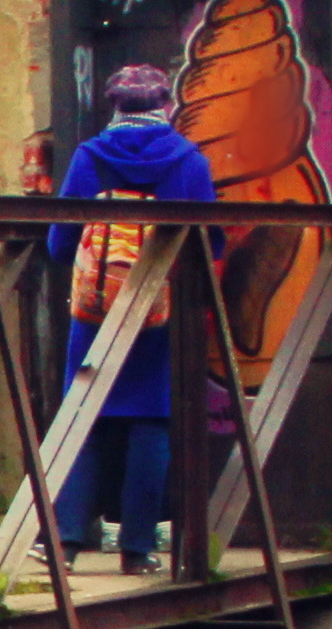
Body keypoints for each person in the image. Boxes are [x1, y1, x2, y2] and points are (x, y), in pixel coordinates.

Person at [51, 59, 218, 569]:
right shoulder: (187, 159)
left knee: (86, 415)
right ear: (164, 105)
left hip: (95, 311)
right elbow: (209, 242)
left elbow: (59, 243)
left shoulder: (88, 157)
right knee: (151, 421)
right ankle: (137, 550)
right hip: (156, 314)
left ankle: (65, 541)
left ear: (115, 106)